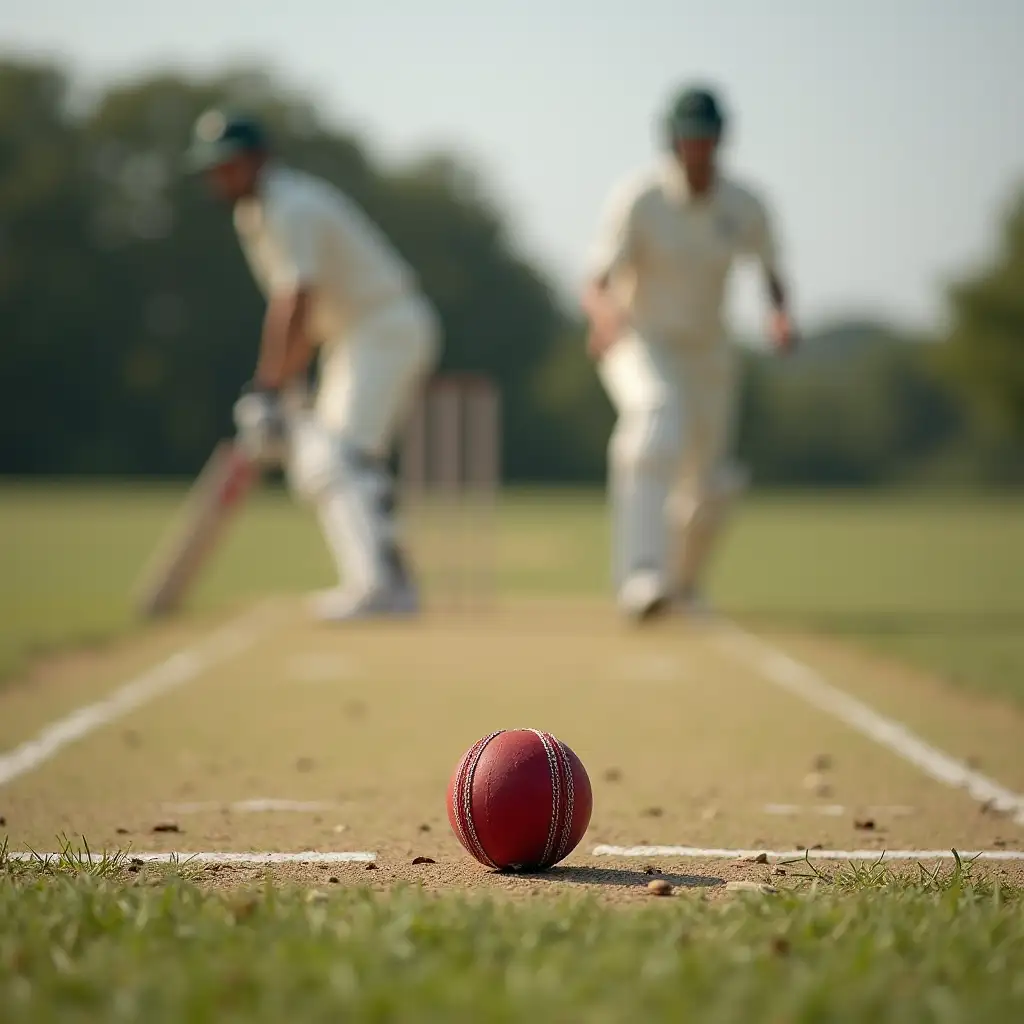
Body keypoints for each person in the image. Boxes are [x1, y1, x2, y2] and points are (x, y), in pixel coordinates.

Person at [186, 109, 441, 622]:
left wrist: (267, 386)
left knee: (339, 458)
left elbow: (296, 301)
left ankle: (380, 589)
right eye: (213, 168)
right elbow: (306, 312)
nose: (219, 177)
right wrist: (283, 386)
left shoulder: (291, 206)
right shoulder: (254, 214)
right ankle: (390, 583)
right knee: (325, 467)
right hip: (353, 336)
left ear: (258, 160)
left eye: (228, 165)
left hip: (383, 326)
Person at [582, 85, 796, 622]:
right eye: (689, 138)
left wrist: (779, 316)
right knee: (655, 422)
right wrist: (605, 317)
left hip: (709, 353)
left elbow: (771, 271)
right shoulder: (641, 196)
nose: (697, 149)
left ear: (721, 141)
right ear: (674, 141)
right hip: (642, 339)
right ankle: (640, 574)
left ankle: (681, 585)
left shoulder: (745, 203)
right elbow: (597, 279)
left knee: (712, 484)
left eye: (706, 138)